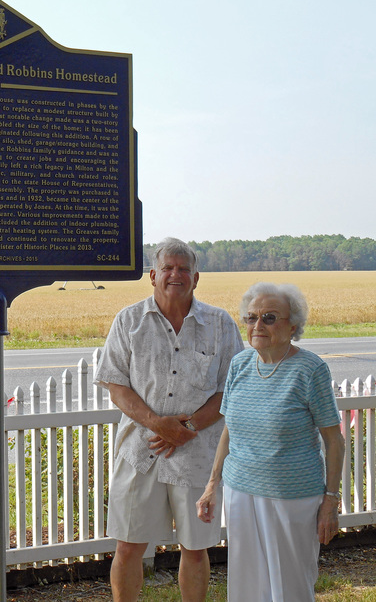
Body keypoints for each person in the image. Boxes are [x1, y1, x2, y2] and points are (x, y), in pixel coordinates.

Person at [94, 237, 244, 602]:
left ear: (196, 278)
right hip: (139, 453)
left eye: (184, 269)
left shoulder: (220, 324)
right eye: (168, 268)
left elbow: (230, 389)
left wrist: (187, 428)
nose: (175, 275)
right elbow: (115, 385)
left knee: (195, 547)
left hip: (198, 455)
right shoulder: (129, 321)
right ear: (153, 275)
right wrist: (157, 423)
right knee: (128, 546)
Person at [196, 282, 344, 601]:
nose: (258, 325)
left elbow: (334, 440)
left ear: (293, 326)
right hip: (240, 492)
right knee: (247, 586)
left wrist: (330, 501)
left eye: (270, 317)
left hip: (292, 497)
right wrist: (212, 485)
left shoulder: (310, 369)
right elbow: (229, 430)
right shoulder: (240, 364)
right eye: (251, 317)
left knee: (290, 587)